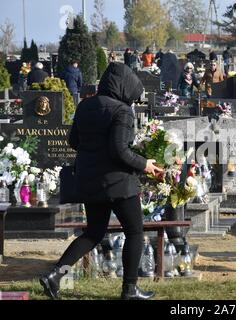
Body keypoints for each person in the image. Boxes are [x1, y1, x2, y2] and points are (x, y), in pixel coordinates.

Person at [39, 63, 164, 300]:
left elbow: (73, 141)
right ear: (124, 86)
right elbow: (119, 150)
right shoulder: (122, 111)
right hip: (118, 183)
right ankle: (129, 289)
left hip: (90, 180)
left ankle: (55, 275)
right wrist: (145, 164)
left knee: (93, 233)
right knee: (135, 232)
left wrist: (94, 151)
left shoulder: (85, 105)